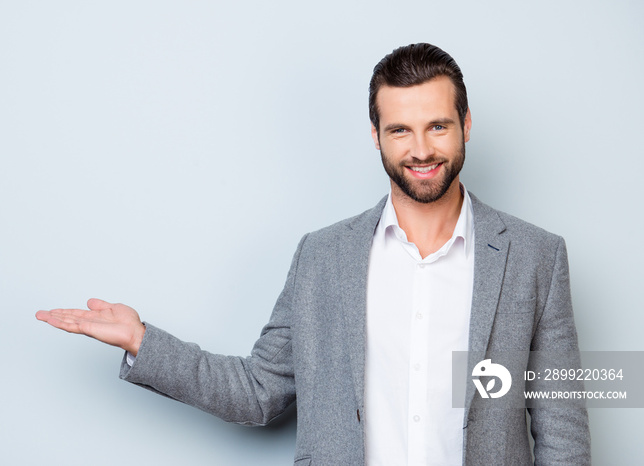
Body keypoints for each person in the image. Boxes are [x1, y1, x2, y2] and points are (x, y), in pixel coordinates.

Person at [36, 43, 590, 465]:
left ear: (466, 126)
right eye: (400, 129)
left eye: (437, 126)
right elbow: (259, 393)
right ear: (376, 135)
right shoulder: (323, 258)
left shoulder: (537, 258)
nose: (420, 149)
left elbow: (562, 429)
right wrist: (142, 341)